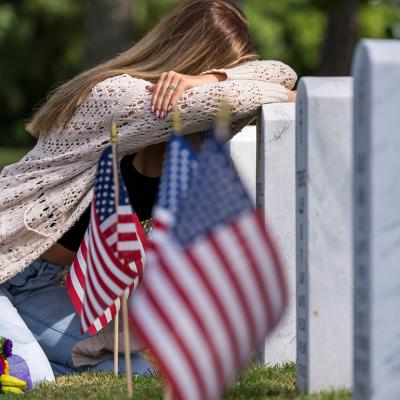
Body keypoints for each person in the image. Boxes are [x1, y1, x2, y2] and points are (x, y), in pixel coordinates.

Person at [0, 0, 297, 377]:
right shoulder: (118, 96)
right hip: (5, 265)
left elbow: (282, 73)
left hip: (39, 283)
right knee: (31, 381)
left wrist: (212, 78)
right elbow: (269, 91)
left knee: (140, 371)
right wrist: (227, 88)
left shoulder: (190, 129)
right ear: (188, 55)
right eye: (221, 68)